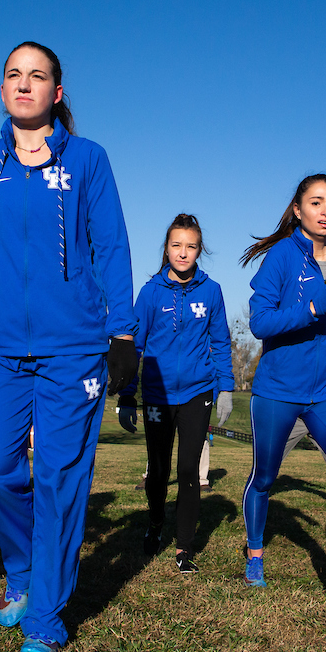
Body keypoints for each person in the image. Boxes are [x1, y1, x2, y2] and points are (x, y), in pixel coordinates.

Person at [0, 41, 137, 652]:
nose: (24, 84)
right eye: (14, 75)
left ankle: (45, 609)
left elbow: (113, 247)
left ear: (57, 93)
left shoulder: (90, 161)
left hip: (73, 349)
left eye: (37, 75)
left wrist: (122, 334)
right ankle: (21, 564)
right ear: (1, 90)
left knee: (59, 479)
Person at [239, 173, 326, 608]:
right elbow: (260, 322)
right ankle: (255, 552)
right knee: (264, 477)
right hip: (278, 388)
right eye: (316, 202)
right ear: (298, 209)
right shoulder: (281, 258)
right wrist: (311, 307)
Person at [116, 214, 234, 573]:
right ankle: (155, 524)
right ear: (166, 248)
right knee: (159, 470)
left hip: (198, 393)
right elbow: (134, 347)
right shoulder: (150, 293)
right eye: (176, 245)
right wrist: (126, 396)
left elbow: (221, 341)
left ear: (200, 251)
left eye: (191, 246)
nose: (183, 253)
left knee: (188, 471)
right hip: (157, 394)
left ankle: (184, 548)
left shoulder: (211, 291)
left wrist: (225, 387)